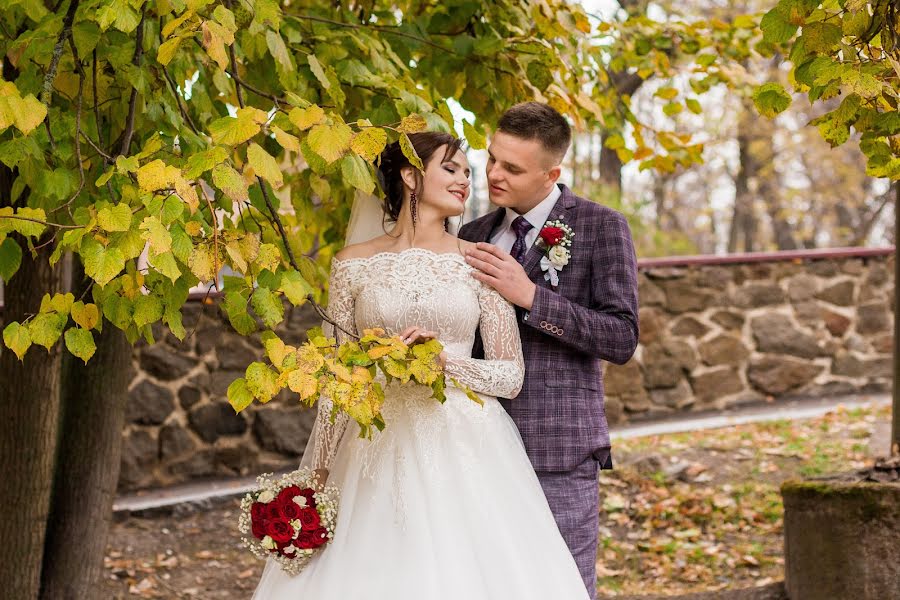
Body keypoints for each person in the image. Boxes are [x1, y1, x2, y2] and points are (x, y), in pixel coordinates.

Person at [251, 131, 589, 599]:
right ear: (410, 176)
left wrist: (444, 362)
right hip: (372, 444)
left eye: (467, 172)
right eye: (450, 168)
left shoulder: (481, 262)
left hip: (466, 446)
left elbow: (510, 376)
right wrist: (317, 476)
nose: (465, 181)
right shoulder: (352, 265)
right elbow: (338, 383)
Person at [458, 102, 640, 599]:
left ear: (551, 173)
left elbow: (621, 337)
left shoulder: (603, 227)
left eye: (512, 168)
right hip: (477, 445)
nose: (494, 174)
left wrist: (533, 297)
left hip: (558, 450)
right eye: (492, 158)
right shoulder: (472, 236)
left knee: (562, 588)